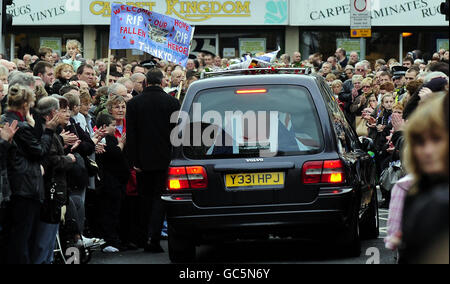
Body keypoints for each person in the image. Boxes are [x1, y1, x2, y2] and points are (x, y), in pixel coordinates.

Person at [1, 84, 59, 264]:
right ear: (25, 104)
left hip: (16, 185)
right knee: (21, 237)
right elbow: (39, 151)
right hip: (24, 186)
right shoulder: (19, 125)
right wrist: (48, 130)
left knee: (15, 236)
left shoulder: (8, 120)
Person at [126, 68, 180, 253]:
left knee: (144, 199)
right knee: (160, 199)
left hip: (142, 161)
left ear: (145, 83)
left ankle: (143, 237)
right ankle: (153, 238)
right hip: (166, 160)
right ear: (163, 82)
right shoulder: (172, 102)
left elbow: (131, 135)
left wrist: (133, 160)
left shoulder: (134, 103)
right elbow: (177, 135)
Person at [400, 95, 449, 264]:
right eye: (420, 142)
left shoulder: (441, 202)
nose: (427, 151)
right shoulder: (414, 191)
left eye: (436, 139)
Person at [31, 96, 73, 264]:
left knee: (48, 239)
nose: (67, 114)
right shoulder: (44, 131)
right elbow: (51, 159)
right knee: (44, 240)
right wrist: (69, 159)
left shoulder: (51, 132)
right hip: (50, 190)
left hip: (54, 189)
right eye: (62, 110)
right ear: (52, 113)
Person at [95, 113, 129, 253]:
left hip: (115, 181)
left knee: (114, 212)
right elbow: (113, 153)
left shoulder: (109, 138)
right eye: (112, 125)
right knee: (110, 213)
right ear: (104, 126)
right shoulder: (104, 139)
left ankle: (114, 240)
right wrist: (120, 144)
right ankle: (109, 241)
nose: (115, 128)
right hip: (109, 182)